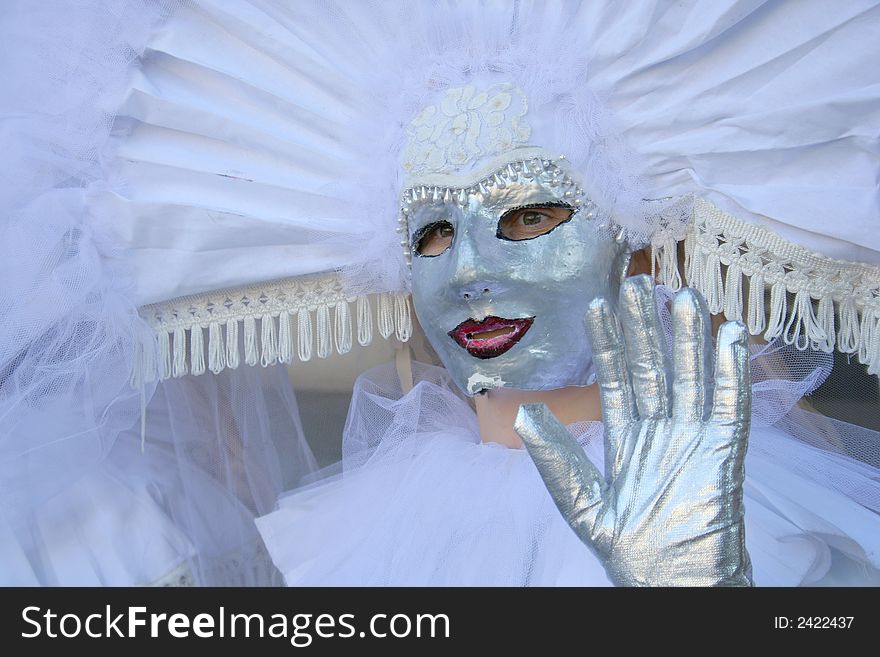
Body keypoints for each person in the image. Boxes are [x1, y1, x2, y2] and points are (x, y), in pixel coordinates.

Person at [3, 0, 880, 586]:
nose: (465, 272)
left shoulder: (752, 492)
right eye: (428, 233)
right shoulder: (371, 534)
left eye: (530, 215)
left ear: (633, 230)